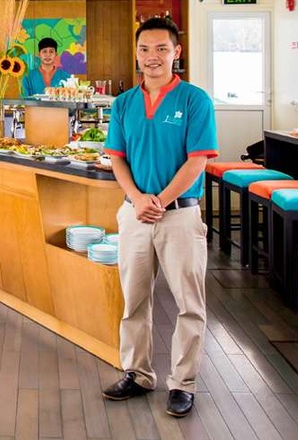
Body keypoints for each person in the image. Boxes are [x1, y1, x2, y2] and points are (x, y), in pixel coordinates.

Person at [100, 17, 218, 418]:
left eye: (161, 49)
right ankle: (137, 373)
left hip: (180, 215)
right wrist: (137, 200)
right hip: (135, 214)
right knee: (134, 299)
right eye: (145, 49)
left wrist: (162, 201)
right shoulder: (123, 104)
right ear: (137, 53)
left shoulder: (195, 100)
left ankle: (183, 383)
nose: (152, 57)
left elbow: (198, 160)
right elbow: (117, 159)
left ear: (176, 52)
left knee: (189, 303)